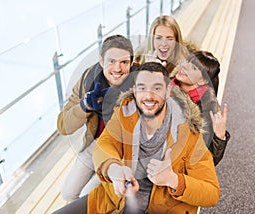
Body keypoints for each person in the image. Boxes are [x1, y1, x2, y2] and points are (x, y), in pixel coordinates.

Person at [53, 62, 220, 214]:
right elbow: (104, 144)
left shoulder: (188, 131)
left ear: (168, 91)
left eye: (156, 88)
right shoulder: (123, 114)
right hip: (115, 201)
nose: (148, 96)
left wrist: (173, 180)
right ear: (134, 90)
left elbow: (212, 193)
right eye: (142, 88)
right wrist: (114, 169)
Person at [56, 34, 136, 201]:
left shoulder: (139, 82)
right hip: (95, 144)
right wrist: (85, 105)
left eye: (124, 62)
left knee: (87, 197)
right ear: (101, 61)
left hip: (121, 152)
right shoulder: (88, 80)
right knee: (68, 193)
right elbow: (63, 126)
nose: (117, 68)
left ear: (132, 63)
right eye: (111, 61)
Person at [171, 50, 230, 165]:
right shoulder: (167, 85)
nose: (184, 67)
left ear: (203, 80)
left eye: (193, 68)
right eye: (187, 62)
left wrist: (219, 137)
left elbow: (208, 160)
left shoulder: (207, 108)